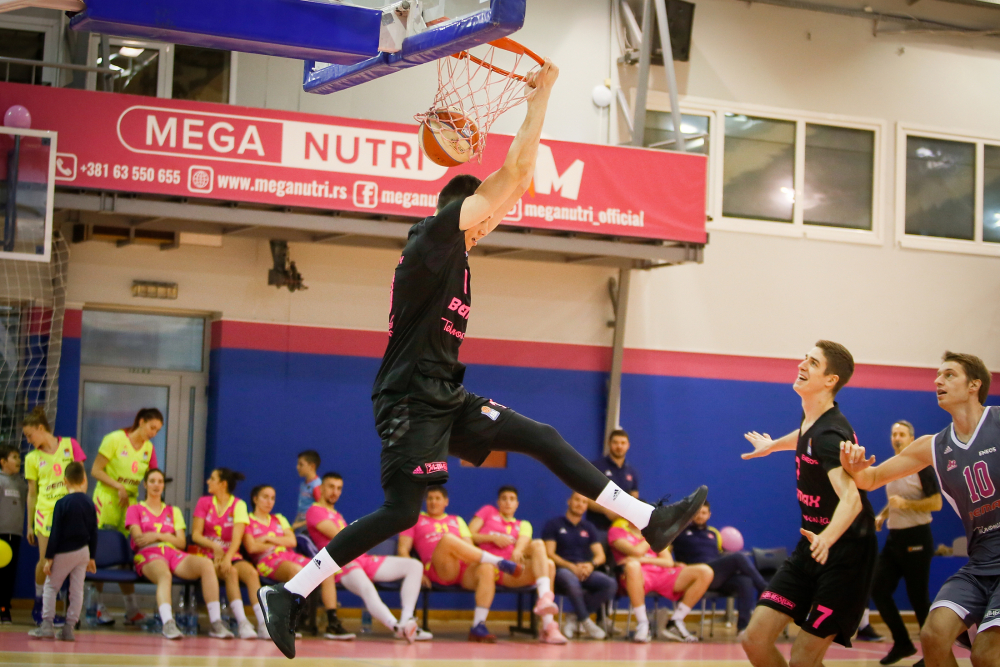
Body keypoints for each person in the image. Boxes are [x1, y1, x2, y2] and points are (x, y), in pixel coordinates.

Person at [257, 56, 708, 660]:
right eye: (485, 213)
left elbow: (515, 183)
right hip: (410, 398)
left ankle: (649, 520)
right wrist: (541, 96)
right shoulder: (434, 238)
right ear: (462, 209)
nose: (494, 220)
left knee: (543, 437)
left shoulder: (456, 254)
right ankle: (289, 591)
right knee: (401, 511)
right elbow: (512, 175)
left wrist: (535, 114)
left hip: (444, 393)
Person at [840, 351, 999, 667]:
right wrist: (853, 467)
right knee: (933, 635)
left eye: (949, 374)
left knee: (985, 653)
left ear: (974, 385)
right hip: (980, 559)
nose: (938, 380)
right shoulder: (933, 446)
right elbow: (871, 478)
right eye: (938, 375)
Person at [741, 341, 877, 667]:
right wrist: (773, 445)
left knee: (803, 658)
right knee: (754, 639)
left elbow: (852, 500)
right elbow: (805, 436)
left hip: (845, 554)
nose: (802, 365)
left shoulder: (830, 435)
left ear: (830, 380)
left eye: (813, 363)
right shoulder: (814, 418)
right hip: (812, 546)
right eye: (805, 359)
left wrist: (826, 539)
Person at [305, 472, 431, 642]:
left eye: (339, 488)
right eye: (331, 487)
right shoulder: (314, 511)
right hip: (342, 564)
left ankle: (407, 620)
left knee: (414, 566)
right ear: (321, 488)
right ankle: (397, 627)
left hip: (362, 559)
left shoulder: (336, 514)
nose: (335, 492)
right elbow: (341, 536)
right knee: (368, 590)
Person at [396, 484, 523, 643]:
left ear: (446, 502)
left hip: (462, 568)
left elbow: (469, 546)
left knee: (486, 568)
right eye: (430, 498)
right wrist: (416, 572)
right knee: (448, 539)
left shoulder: (457, 520)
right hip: (439, 567)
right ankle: (498, 561)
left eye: (437, 498)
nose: (433, 502)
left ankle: (478, 626)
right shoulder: (414, 519)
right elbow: (402, 550)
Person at [126, 468, 232, 640]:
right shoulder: (135, 509)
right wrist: (168, 537)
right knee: (164, 575)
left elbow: (181, 542)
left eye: (160, 482)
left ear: (163, 486)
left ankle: (216, 622)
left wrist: (157, 535)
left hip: (172, 553)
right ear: (145, 484)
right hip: (148, 553)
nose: (156, 485)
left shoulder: (173, 510)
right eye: (152, 481)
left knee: (206, 564)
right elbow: (139, 539)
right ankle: (168, 623)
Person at [870, 420, 942, 665]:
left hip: (917, 537)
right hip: (895, 538)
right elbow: (897, 498)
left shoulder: (921, 467)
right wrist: (883, 514)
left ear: (912, 438)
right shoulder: (893, 466)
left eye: (901, 434)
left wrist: (907, 505)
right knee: (878, 588)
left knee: (918, 598)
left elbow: (936, 503)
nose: (897, 438)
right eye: (894, 434)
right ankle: (902, 643)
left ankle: (933, 655)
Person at [89, 407, 162, 626]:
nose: (153, 433)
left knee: (126, 553)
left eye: (157, 430)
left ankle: (131, 609)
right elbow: (95, 470)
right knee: (100, 553)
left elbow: (153, 478)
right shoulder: (114, 439)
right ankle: (96, 607)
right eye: (152, 427)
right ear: (141, 422)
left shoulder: (149, 449)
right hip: (107, 498)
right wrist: (118, 486)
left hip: (130, 503)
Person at [245, 483, 345, 641]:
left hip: (287, 555)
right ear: (255, 499)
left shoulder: (279, 519)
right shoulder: (247, 520)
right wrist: (279, 542)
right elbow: (251, 547)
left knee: (325, 568)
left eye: (272, 498)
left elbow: (291, 541)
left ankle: (332, 621)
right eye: (265, 497)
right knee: (296, 570)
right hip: (266, 560)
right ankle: (292, 620)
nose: (269, 502)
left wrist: (267, 538)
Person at [469, 486, 566, 644]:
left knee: (545, 557)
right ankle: (548, 624)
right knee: (547, 563)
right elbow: (469, 534)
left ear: (517, 504)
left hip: (513, 569)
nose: (508, 502)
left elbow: (525, 539)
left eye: (512, 499)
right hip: (491, 567)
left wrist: (518, 550)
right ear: (498, 502)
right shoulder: (488, 512)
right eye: (504, 498)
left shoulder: (523, 524)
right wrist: (492, 538)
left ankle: (547, 617)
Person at [23, 405, 86, 626]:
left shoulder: (70, 445)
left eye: (30, 435)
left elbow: (81, 480)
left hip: (69, 511)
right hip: (46, 512)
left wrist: (80, 504)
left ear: (41, 428)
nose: (28, 440)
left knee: (69, 562)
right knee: (45, 561)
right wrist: (30, 524)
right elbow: (32, 493)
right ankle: (39, 605)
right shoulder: (32, 458)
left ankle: (68, 612)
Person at [609, 515, 714, 642]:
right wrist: (651, 538)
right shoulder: (617, 531)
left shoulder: (653, 534)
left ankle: (676, 621)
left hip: (661, 574)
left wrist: (643, 559)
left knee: (705, 571)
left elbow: (668, 562)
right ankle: (643, 624)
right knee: (633, 566)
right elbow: (635, 551)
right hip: (637, 576)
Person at [672, 500, 769, 634]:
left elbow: (718, 555)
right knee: (738, 557)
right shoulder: (679, 533)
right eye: (697, 512)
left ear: (709, 515)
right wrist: (675, 564)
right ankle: (764, 588)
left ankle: (742, 628)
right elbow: (664, 552)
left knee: (745, 581)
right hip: (697, 575)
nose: (700, 516)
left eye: (704, 513)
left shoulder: (713, 534)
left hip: (716, 575)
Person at [190, 467, 264, 639]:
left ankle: (264, 623)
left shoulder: (238, 505)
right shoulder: (204, 502)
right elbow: (196, 535)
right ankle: (242, 622)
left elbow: (237, 538)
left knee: (252, 573)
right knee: (231, 573)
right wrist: (215, 547)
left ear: (223, 484)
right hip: (208, 555)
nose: (208, 481)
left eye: (212, 478)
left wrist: (228, 557)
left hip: (231, 554)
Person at [28, 462, 96, 641]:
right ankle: (69, 629)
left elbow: (55, 532)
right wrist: (92, 557)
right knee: (77, 590)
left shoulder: (62, 503)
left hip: (65, 551)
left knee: (51, 587)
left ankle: (46, 626)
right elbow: (94, 531)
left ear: (65, 481)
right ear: (83, 480)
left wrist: (49, 557)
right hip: (83, 552)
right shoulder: (89, 503)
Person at [542, 491, 617, 640]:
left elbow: (600, 556)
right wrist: (571, 567)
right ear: (569, 501)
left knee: (610, 584)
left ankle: (575, 617)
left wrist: (590, 565)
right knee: (571, 580)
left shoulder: (589, 527)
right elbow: (549, 553)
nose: (580, 504)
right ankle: (586, 622)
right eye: (577, 500)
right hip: (561, 570)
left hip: (584, 570)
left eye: (584, 502)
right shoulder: (554, 524)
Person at [586, 429, 641, 539]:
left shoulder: (631, 472)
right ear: (609, 443)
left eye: (623, 443)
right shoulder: (596, 467)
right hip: (597, 528)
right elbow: (585, 497)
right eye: (615, 442)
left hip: (622, 530)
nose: (619, 446)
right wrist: (605, 510)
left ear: (628, 445)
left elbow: (634, 499)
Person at [0, 444, 27, 624]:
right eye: (14, 457)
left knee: (9, 575)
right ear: (3, 462)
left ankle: (4, 608)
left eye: (19, 457)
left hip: (14, 535)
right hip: (1, 535)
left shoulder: (21, 483)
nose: (19, 460)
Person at [291, 450, 321, 532]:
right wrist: (295, 524)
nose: (297, 467)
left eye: (301, 464)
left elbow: (321, 514)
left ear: (312, 466)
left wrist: (299, 524)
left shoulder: (317, 486)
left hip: (312, 530)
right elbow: (302, 508)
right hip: (302, 529)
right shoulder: (303, 485)